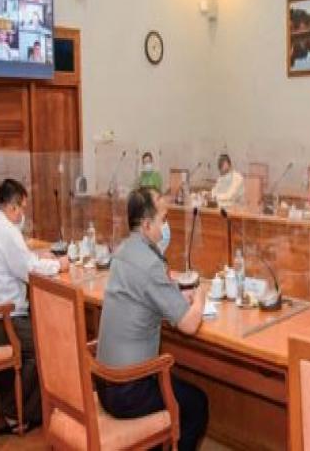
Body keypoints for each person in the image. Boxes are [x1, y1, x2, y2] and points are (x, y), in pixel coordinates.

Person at [96, 188, 208, 451]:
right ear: (147, 225)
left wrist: (175, 294)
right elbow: (189, 325)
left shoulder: (123, 251)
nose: (166, 226)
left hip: (104, 382)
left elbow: (147, 291)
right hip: (128, 390)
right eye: (163, 219)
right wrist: (201, 298)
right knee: (197, 405)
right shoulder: (149, 263)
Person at [0, 179, 67, 433]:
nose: (23, 214)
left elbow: (16, 260)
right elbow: (28, 270)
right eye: (22, 208)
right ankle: (17, 414)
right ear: (12, 207)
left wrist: (38, 256)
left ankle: (13, 405)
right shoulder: (6, 230)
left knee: (31, 336)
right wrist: (59, 264)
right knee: (43, 343)